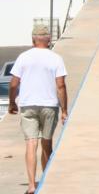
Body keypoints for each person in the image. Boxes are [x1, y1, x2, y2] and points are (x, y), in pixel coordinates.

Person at [8, 26, 68, 194]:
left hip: (28, 105)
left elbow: (13, 84)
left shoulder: (23, 57)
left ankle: (31, 186)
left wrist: (12, 103)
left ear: (33, 40)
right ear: (49, 40)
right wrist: (64, 110)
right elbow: (61, 86)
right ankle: (46, 182)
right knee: (46, 143)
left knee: (31, 143)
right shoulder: (56, 58)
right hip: (49, 106)